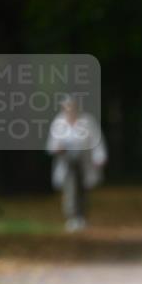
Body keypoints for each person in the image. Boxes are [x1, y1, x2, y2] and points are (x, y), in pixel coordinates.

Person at [46, 96, 107, 231]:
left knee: (83, 190)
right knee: (70, 189)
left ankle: (82, 217)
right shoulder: (58, 122)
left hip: (84, 161)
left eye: (72, 106)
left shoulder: (88, 121)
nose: (70, 110)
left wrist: (99, 157)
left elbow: (97, 140)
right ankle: (72, 217)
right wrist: (58, 148)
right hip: (67, 162)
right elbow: (52, 144)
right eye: (67, 107)